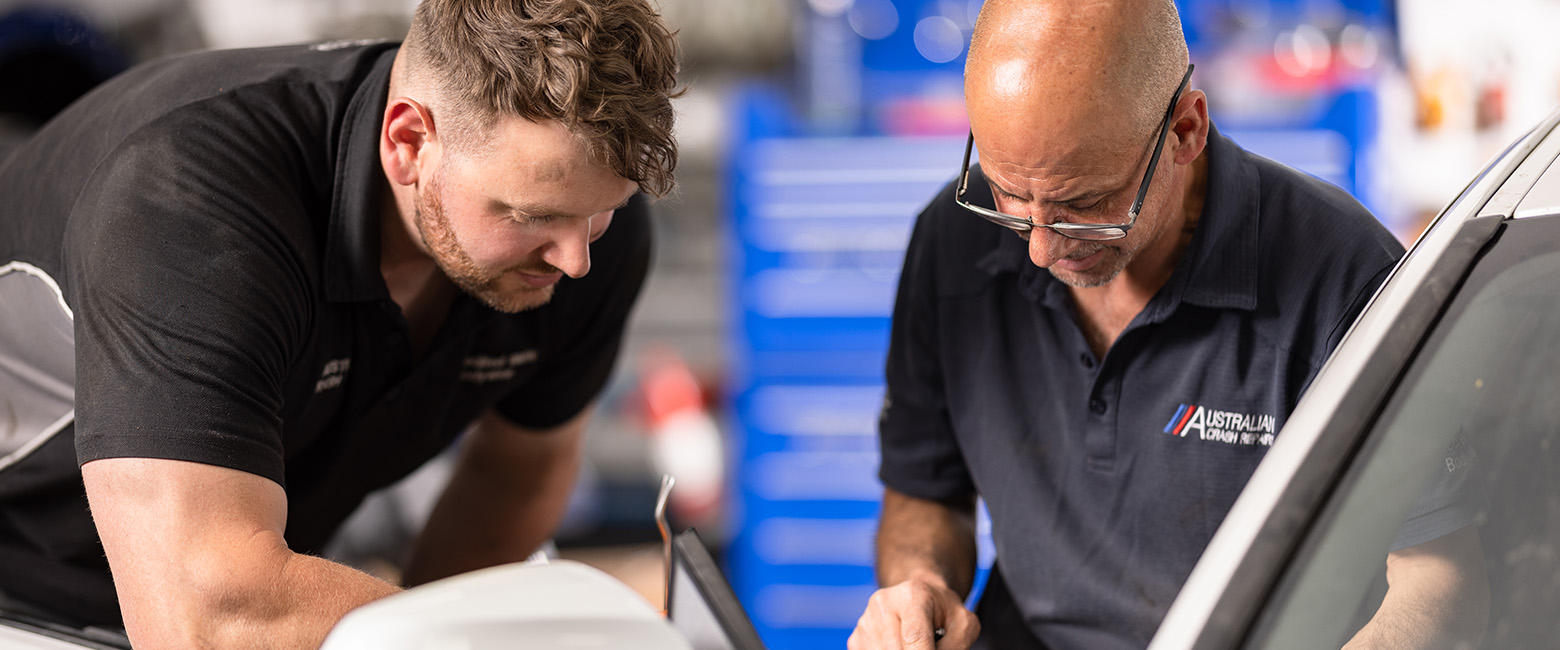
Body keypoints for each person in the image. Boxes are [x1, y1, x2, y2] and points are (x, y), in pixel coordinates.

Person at [0, 0, 679, 647]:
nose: (576, 258)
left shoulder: (580, 232)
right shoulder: (190, 209)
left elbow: (518, 475)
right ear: (409, 142)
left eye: (601, 211)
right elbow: (209, 620)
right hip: (27, 599)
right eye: (532, 216)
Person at [848, 1, 1488, 649]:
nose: (1039, 248)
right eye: (1010, 192)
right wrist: (921, 585)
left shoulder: (1345, 277)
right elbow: (923, 491)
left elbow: (1441, 571)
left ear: (1185, 130)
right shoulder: (951, 241)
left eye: (1083, 203)